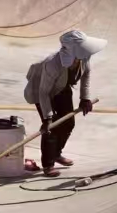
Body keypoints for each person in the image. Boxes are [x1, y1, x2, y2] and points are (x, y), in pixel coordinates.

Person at [22, 29, 104, 175]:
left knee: (68, 123)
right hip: (42, 91)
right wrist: (47, 117)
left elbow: (86, 74)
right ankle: (48, 165)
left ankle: (56, 153)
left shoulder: (83, 57)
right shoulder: (52, 64)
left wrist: (84, 98)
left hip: (62, 87)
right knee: (51, 127)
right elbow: (43, 92)